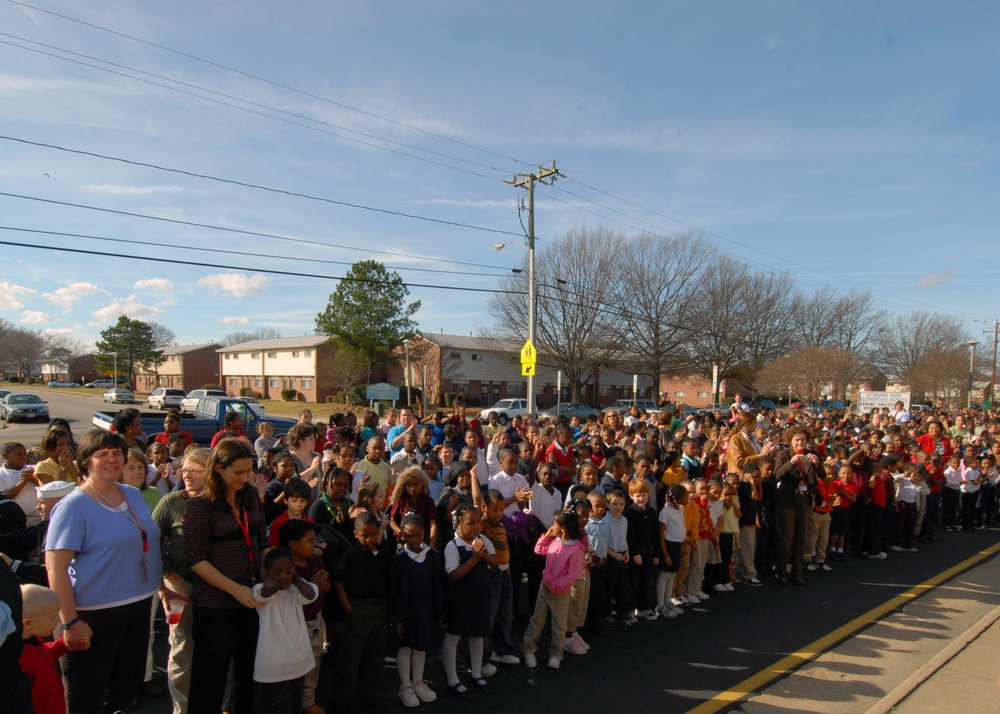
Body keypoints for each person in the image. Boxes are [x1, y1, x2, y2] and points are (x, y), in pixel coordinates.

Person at [45, 429, 161, 713]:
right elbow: (55, 568)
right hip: (93, 613)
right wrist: (70, 622)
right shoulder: (73, 506)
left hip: (138, 603)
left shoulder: (133, 495)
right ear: (87, 461)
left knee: (126, 688)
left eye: (117, 453)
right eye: (102, 455)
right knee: (87, 693)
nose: (112, 459)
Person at [184, 440, 266, 714]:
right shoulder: (200, 506)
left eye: (249, 472)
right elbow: (195, 559)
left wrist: (268, 571)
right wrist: (234, 589)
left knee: (248, 674)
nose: (245, 478)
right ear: (218, 469)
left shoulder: (250, 495)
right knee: (210, 680)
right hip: (215, 604)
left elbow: (260, 538)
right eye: (238, 473)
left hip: (250, 599)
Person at [151, 446, 210, 714]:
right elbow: (150, 544)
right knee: (181, 645)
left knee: (211, 648)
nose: (187, 475)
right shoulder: (171, 502)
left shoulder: (221, 503)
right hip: (178, 586)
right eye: (184, 470)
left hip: (213, 587)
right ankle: (181, 708)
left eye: (195, 470)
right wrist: (167, 579)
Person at [333, 512, 392, 713]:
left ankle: (371, 696)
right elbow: (339, 581)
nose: (369, 539)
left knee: (375, 657)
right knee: (351, 658)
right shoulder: (351, 556)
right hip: (359, 609)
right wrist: (349, 608)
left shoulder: (384, 553)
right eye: (364, 535)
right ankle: (345, 700)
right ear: (355, 534)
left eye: (373, 534)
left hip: (380, 611)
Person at [252, 547, 319, 714]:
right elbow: (271, 587)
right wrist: (264, 573)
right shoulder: (260, 591)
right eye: (277, 572)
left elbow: (311, 594)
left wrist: (295, 576)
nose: (283, 576)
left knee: (294, 707)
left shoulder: (295, 590)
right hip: (273, 669)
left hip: (297, 665)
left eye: (288, 571)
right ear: (266, 572)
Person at [442, 503, 497, 698]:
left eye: (478, 523)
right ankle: (452, 679)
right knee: (454, 637)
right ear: (458, 523)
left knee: (477, 635)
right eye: (470, 523)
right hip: (460, 599)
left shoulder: (482, 540)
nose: (475, 527)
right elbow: (454, 574)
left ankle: (476, 674)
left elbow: (496, 562)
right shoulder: (452, 546)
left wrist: (483, 555)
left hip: (480, 596)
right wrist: (475, 557)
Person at [521, 510, 586, 671]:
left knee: (559, 625)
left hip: (560, 593)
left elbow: (572, 575)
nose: (552, 526)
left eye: (555, 524)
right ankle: (528, 649)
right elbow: (538, 550)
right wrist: (547, 535)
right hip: (544, 589)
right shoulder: (555, 541)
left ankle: (556, 654)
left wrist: (556, 585)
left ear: (563, 527)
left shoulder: (576, 549)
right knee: (537, 620)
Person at [391, 514, 443, 709]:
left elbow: (437, 585)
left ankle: (418, 682)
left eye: (418, 535)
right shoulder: (399, 560)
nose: (414, 540)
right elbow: (394, 591)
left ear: (425, 535)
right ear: (402, 536)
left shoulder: (432, 557)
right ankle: (405, 686)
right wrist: (397, 618)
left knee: (421, 647)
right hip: (407, 613)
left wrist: (438, 612)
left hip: (426, 611)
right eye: (409, 536)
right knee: (406, 647)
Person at [278, 520, 330, 714]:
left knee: (313, 664)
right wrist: (311, 584)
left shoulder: (315, 560)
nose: (313, 543)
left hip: (314, 621)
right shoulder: (282, 565)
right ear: (293, 544)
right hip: (291, 625)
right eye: (309, 540)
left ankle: (308, 702)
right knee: (291, 667)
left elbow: (326, 588)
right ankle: (288, 703)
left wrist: (321, 585)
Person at [772, 427, 822, 585]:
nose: (801, 443)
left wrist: (816, 464)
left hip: (805, 500)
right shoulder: (784, 454)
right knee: (786, 538)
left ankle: (798, 572)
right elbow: (777, 474)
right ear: (790, 441)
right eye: (797, 440)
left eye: (803, 440)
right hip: (787, 500)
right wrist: (791, 463)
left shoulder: (812, 454)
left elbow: (823, 475)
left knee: (801, 537)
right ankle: (781, 571)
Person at [18, 583, 68, 714]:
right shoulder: (19, 662)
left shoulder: (34, 641)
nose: (58, 620)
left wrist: (64, 645)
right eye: (52, 616)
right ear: (28, 623)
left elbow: (44, 654)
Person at [389, 467, 438, 545]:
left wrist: (432, 543)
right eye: (409, 485)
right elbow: (392, 521)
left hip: (423, 540)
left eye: (416, 484)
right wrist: (401, 533)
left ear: (423, 484)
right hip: (403, 541)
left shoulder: (427, 501)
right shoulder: (400, 501)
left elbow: (433, 523)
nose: (412, 488)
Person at [0, 442, 40, 527]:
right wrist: (24, 481)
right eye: (19, 454)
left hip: (38, 519)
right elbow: (4, 498)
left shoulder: (34, 469)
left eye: (25, 454)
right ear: (6, 456)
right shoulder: (1, 474)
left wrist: (33, 479)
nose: (24, 457)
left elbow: (46, 488)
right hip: (14, 521)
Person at [267, 478, 314, 548]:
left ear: (307, 502)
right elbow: (274, 547)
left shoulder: (310, 523)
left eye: (302, 501)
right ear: (286, 500)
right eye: (294, 501)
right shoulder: (278, 523)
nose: (299, 504)